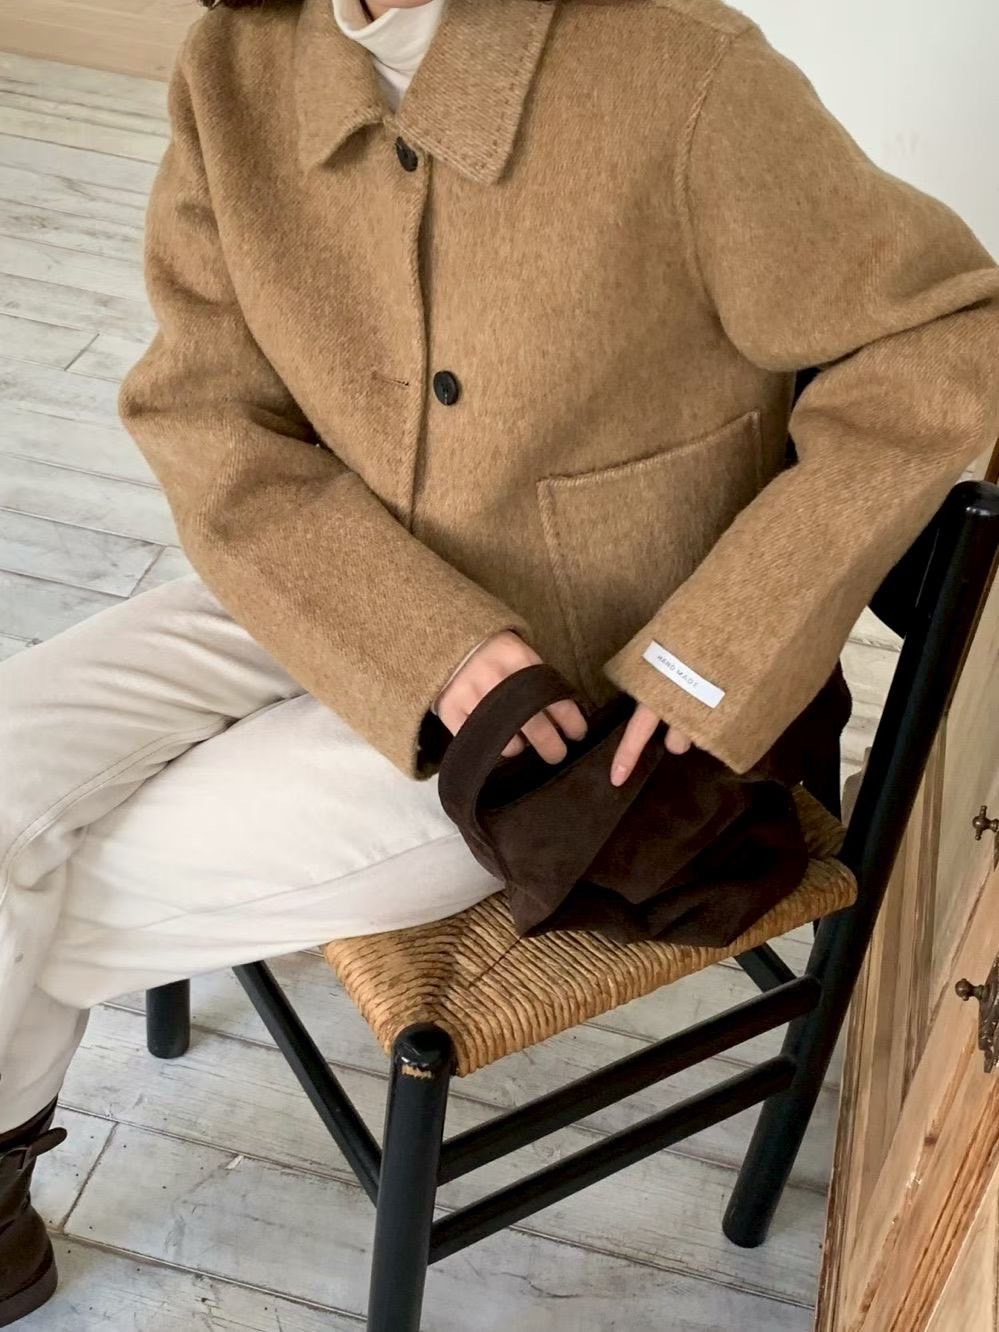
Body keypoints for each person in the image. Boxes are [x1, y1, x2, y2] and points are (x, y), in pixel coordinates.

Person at [1, 0, 997, 1321]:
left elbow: (944, 336)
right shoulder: (237, 61)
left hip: (563, 721)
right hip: (314, 579)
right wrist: (425, 634)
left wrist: (714, 655)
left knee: (36, 904)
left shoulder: (681, 69)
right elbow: (202, 407)